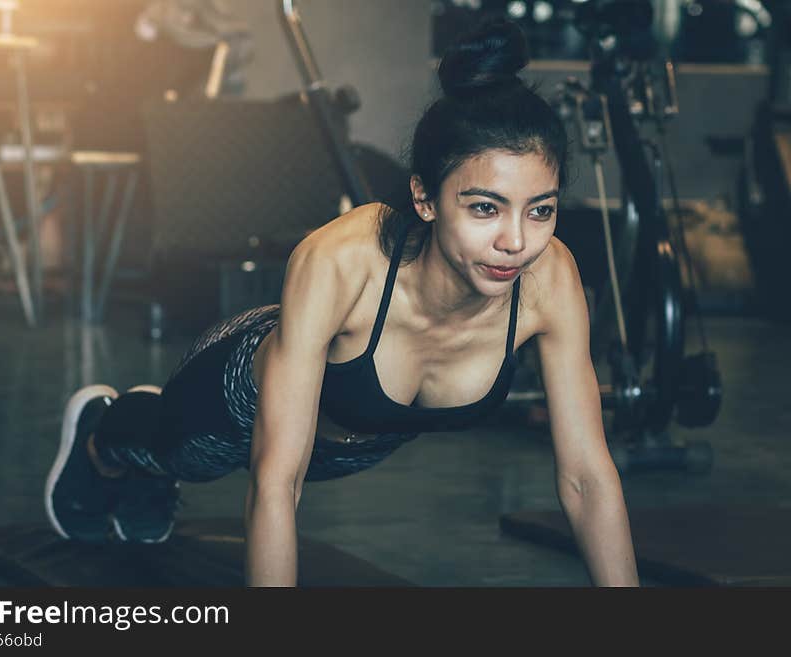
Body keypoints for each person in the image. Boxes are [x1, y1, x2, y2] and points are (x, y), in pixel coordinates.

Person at [45, 18, 639, 587]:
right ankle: (101, 435)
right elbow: (277, 482)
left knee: (194, 463)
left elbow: (587, 477)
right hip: (244, 396)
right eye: (485, 207)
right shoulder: (345, 258)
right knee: (182, 457)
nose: (516, 241)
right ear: (426, 199)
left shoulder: (548, 277)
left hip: (355, 443)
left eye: (541, 210)